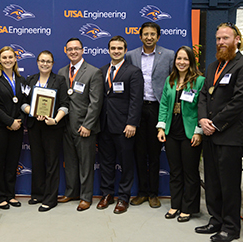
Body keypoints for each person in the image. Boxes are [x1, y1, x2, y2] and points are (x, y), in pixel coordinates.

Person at [196, 22, 243, 242]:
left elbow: (239, 101)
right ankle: (215, 220)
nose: (220, 42)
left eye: (225, 38)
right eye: (217, 39)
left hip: (230, 136)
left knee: (229, 184)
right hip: (210, 133)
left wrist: (214, 122)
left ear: (237, 39)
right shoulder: (213, 66)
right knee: (212, 181)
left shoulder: (241, 65)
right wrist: (203, 119)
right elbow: (204, 95)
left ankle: (231, 227)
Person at [126, 22, 174, 208]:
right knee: (139, 153)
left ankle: (154, 193)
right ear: (140, 36)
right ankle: (142, 192)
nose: (149, 37)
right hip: (137, 108)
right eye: (145, 34)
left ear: (158, 36)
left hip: (157, 108)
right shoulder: (130, 55)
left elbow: (173, 82)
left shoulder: (169, 55)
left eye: (152, 34)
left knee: (154, 154)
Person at [156, 46, 204, 222]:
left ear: (191, 61)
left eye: (185, 59)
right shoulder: (170, 79)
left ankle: (189, 207)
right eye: (179, 59)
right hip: (171, 132)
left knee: (190, 172)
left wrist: (199, 131)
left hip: (190, 132)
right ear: (174, 61)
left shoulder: (199, 81)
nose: (181, 62)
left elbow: (202, 107)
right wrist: (161, 128)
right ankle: (176, 205)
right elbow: (163, 105)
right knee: (175, 171)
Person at [97, 36, 143, 214]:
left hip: (124, 126)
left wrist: (132, 123)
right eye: (113, 48)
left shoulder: (133, 71)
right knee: (106, 162)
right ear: (108, 50)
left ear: (125, 50)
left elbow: (136, 100)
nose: (116, 51)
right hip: (104, 125)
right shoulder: (101, 71)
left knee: (126, 163)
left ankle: (123, 197)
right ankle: (107, 194)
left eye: (119, 48)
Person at [57, 38, 103, 211]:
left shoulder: (93, 72)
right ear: (65, 50)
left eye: (76, 49)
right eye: (70, 49)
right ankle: (71, 192)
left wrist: (88, 125)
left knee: (85, 163)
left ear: (83, 50)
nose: (73, 52)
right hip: (65, 126)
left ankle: (85, 197)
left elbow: (96, 102)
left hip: (84, 127)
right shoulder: (62, 72)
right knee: (69, 162)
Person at [22, 50, 69, 212]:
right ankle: (38, 194)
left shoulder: (60, 80)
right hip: (35, 126)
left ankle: (50, 198)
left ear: (53, 64)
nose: (45, 64)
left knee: (51, 163)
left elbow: (65, 104)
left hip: (52, 127)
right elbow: (23, 103)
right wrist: (32, 111)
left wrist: (55, 119)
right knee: (37, 160)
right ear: (37, 62)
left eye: (48, 61)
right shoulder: (30, 80)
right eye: (42, 61)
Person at [0, 46, 26, 210]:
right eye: (4, 58)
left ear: (15, 59)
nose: (8, 60)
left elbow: (25, 103)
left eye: (11, 57)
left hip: (16, 128)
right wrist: (9, 121)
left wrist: (19, 121)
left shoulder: (21, 80)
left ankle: (10, 195)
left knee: (11, 163)